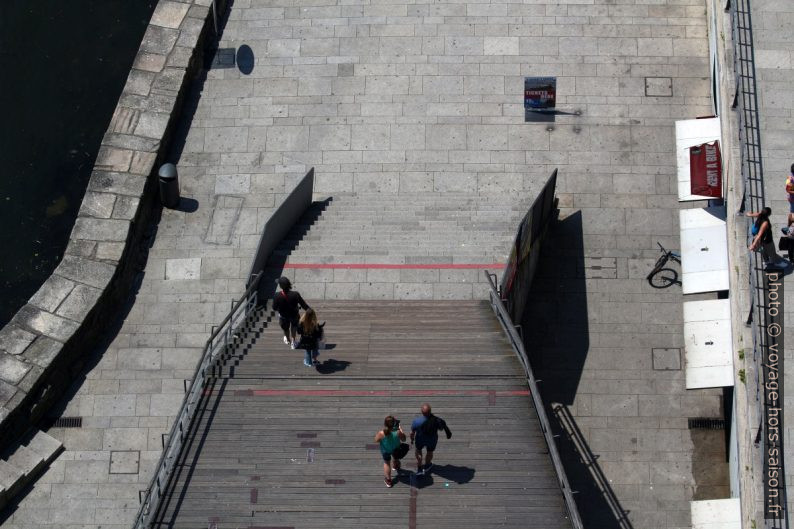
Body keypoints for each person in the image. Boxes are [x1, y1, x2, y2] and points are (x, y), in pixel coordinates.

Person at [410, 403, 452, 476]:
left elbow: (412, 432)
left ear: (422, 412)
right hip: (432, 440)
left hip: (420, 439)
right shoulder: (436, 420)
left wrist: (412, 439)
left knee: (418, 450)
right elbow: (441, 428)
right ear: (430, 411)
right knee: (430, 452)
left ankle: (419, 466)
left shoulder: (417, 421)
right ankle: (427, 465)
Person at [272, 276, 310, 349]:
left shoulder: (277, 295)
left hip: (283, 316)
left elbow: (274, 308)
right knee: (294, 326)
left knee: (286, 328)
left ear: (281, 286)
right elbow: (303, 304)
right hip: (294, 315)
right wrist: (309, 310)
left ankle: (288, 339)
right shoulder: (295, 294)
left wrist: (280, 308)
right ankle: (293, 341)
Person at [374, 416, 406, 488]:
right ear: (394, 424)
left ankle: (388, 481)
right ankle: (396, 466)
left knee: (387, 463)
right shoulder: (397, 431)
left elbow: (376, 440)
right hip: (396, 448)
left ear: (385, 424)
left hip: (385, 450)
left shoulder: (381, 433)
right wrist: (401, 430)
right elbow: (404, 439)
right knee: (396, 457)